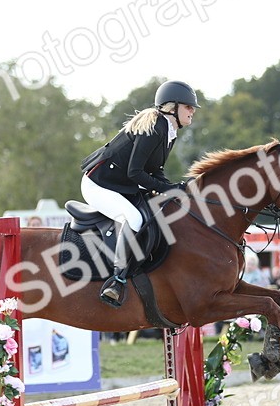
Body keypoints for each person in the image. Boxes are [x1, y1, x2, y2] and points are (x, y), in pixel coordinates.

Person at [79, 80, 199, 306]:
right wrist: (168, 189)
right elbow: (135, 172)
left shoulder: (168, 131)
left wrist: (178, 189)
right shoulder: (155, 128)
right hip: (99, 184)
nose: (192, 111)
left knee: (158, 211)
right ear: (171, 107)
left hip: (121, 185)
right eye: (188, 106)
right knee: (134, 218)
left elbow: (154, 171)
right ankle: (117, 279)